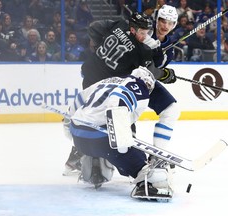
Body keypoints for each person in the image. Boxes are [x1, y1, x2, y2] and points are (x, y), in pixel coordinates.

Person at [64, 8, 180, 187]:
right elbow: (149, 71)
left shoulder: (122, 24)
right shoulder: (142, 49)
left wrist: (98, 46)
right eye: (162, 20)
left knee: (93, 116)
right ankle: (129, 161)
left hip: (94, 76)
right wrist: (164, 74)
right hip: (120, 80)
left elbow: (95, 28)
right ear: (154, 19)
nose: (165, 25)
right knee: (120, 127)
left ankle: (82, 152)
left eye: (170, 23)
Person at [64, 66, 172, 199]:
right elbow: (117, 103)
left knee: (98, 146)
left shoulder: (107, 81)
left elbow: (78, 100)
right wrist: (122, 146)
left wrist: (70, 133)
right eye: (149, 84)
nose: (149, 88)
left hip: (79, 138)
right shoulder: (139, 86)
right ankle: (148, 184)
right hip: (104, 141)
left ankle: (93, 167)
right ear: (145, 80)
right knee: (153, 175)